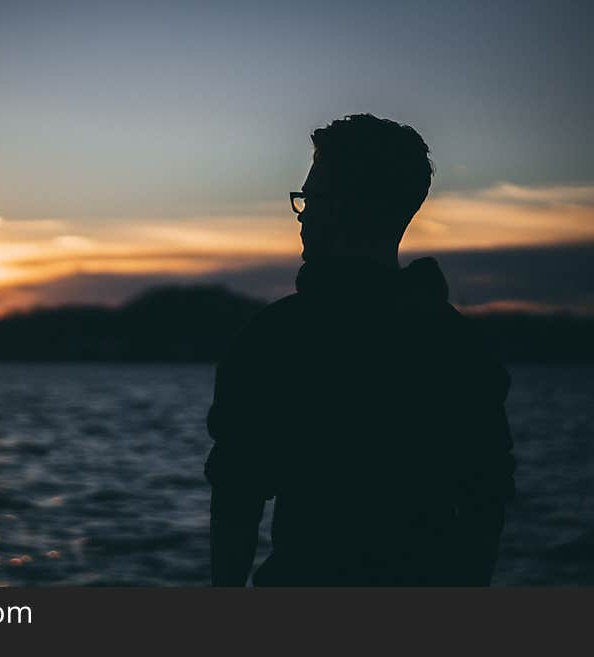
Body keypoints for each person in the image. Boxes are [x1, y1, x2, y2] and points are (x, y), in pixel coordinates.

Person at [204, 113, 516, 586]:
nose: (302, 214)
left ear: (348, 208)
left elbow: (237, 498)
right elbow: (485, 502)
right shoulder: (459, 346)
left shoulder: (278, 338)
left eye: (311, 199)